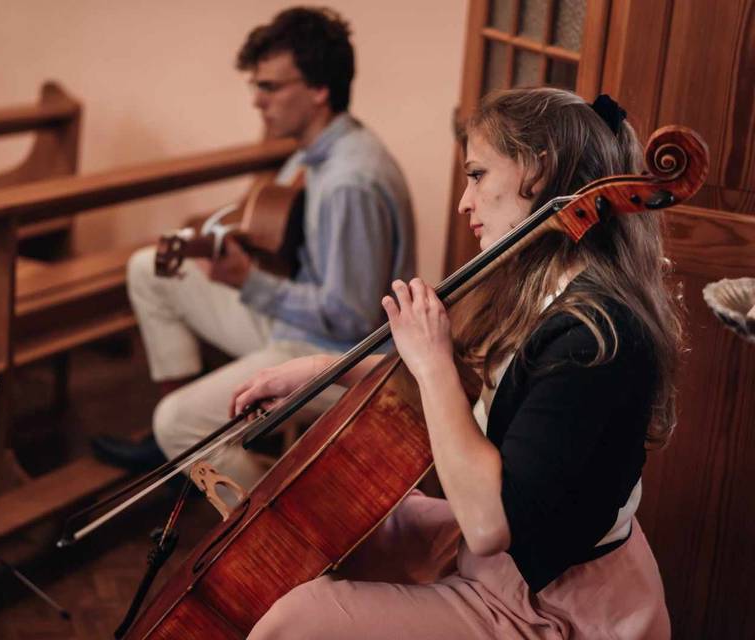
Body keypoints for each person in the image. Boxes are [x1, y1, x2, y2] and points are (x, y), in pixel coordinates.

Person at [231, 87, 676, 638]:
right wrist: (326, 369)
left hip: (554, 599)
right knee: (334, 526)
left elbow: (490, 524)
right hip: (506, 563)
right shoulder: (535, 286)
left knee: (301, 620)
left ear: (540, 171)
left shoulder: (594, 336)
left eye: (478, 175)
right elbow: (467, 398)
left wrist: (433, 358)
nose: (465, 201)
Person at [92, 6, 416, 489]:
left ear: (318, 89)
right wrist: (220, 246)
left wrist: (249, 281)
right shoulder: (314, 154)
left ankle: (276, 533)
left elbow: (350, 320)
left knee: (176, 419)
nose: (257, 101)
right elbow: (279, 237)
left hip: (341, 358)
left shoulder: (351, 180)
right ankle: (182, 454)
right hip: (298, 323)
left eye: (270, 87)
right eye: (255, 86)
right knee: (150, 269)